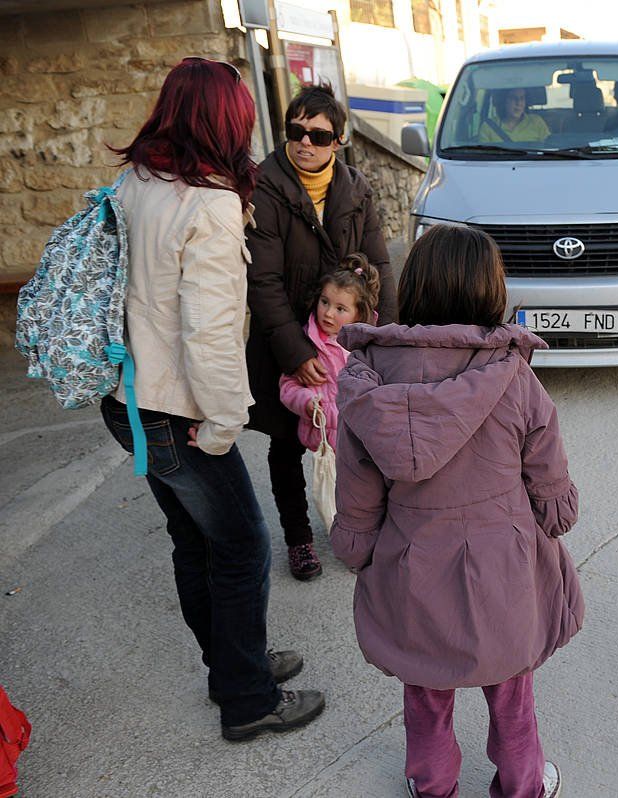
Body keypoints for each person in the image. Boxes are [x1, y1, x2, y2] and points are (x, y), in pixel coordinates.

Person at [100, 57, 324, 742]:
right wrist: (227, 423)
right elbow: (212, 331)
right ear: (227, 122)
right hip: (178, 409)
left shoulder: (132, 181)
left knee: (194, 544)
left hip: (128, 399)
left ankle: (235, 667)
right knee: (241, 547)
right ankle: (249, 699)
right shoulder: (211, 205)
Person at [330, 224, 582, 798]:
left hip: (412, 564)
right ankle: (522, 785)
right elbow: (549, 484)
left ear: (415, 289)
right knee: (512, 690)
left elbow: (358, 492)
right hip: (503, 568)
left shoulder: (368, 382)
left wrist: (358, 547)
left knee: (424, 691)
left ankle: (432, 783)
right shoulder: (514, 377)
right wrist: (554, 517)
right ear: (490, 292)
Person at [245, 82, 397, 582]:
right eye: (296, 131)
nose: (304, 142)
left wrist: (388, 343)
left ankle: (357, 529)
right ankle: (299, 540)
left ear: (338, 140)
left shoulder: (356, 188)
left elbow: (379, 264)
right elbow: (262, 279)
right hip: (285, 340)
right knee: (286, 444)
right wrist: (294, 350)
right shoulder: (265, 187)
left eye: (317, 134)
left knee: (357, 442)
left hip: (349, 342)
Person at [277, 253, 380, 454]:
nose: (328, 313)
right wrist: (306, 402)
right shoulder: (308, 343)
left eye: (340, 309)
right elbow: (288, 385)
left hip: (358, 444)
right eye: (325, 302)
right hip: (321, 441)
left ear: (358, 313)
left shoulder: (368, 348)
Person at [479, 87, 550, 143]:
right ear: (504, 101)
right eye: (513, 98)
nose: (518, 103)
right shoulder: (488, 127)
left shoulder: (537, 122)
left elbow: (548, 147)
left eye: (522, 98)